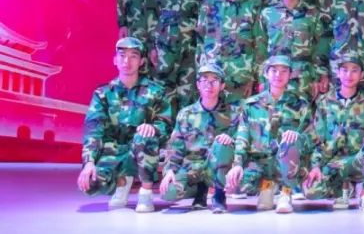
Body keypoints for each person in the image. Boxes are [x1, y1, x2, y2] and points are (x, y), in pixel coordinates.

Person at [78, 37, 172, 213]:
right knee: (89, 183)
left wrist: (154, 128)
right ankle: (122, 182)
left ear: (141, 61)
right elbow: (93, 131)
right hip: (115, 151)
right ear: (115, 60)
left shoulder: (155, 91)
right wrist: (89, 162)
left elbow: (166, 123)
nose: (127, 61)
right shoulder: (103, 94)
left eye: (133, 56)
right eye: (122, 56)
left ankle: (145, 192)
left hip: (144, 151)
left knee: (143, 136)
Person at [226, 56, 313, 213]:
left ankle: (286, 192)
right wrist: (237, 164)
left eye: (284, 71)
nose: (278, 75)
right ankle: (266, 186)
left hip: (288, 164)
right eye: (274, 71)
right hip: (260, 163)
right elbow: (242, 137)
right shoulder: (251, 105)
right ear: (266, 74)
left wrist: (297, 137)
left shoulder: (300, 104)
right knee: (235, 184)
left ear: (290, 75)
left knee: (290, 142)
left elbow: (311, 137)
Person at [304, 55, 364, 213]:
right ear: (338, 73)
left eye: (354, 71)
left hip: (360, 159)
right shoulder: (324, 102)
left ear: (361, 75)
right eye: (345, 70)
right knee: (311, 190)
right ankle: (341, 190)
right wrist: (316, 166)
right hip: (335, 161)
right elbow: (318, 139)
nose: (349, 75)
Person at [159, 63, 239, 214]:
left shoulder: (233, 113)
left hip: (217, 168)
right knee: (168, 192)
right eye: (204, 80)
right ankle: (199, 190)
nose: (209, 85)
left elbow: (240, 141)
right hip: (191, 168)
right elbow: (175, 146)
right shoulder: (186, 114)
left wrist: (230, 140)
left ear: (222, 86)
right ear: (198, 85)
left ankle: (219, 196)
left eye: (214, 80)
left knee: (222, 143)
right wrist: (169, 170)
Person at [196, 0, 262, 105]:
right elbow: (200, 40)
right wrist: (201, 74)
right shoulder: (209, 3)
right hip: (212, 75)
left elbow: (260, 42)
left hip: (241, 75)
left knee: (240, 116)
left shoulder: (254, 4)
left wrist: (254, 78)